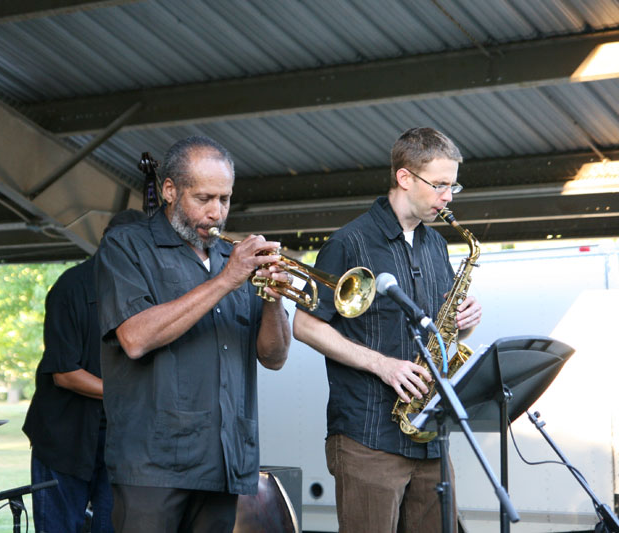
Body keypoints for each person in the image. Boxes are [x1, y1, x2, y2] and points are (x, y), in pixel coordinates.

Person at [95, 135, 292, 533]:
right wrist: (227, 279)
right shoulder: (126, 245)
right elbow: (135, 339)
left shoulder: (229, 259)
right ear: (169, 190)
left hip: (224, 462)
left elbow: (274, 357)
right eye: (204, 198)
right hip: (153, 466)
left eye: (225, 199)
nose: (216, 213)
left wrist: (273, 300)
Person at [293, 127, 482, 533]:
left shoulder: (435, 246)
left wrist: (462, 324)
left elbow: (439, 333)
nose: (448, 197)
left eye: (453, 186)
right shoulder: (349, 241)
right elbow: (304, 325)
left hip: (430, 437)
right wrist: (383, 365)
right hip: (368, 436)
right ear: (404, 178)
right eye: (441, 185)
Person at [22, 209, 146, 533]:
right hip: (64, 439)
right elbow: (65, 373)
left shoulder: (140, 293)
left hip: (118, 441)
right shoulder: (70, 288)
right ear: (112, 245)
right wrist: (127, 394)